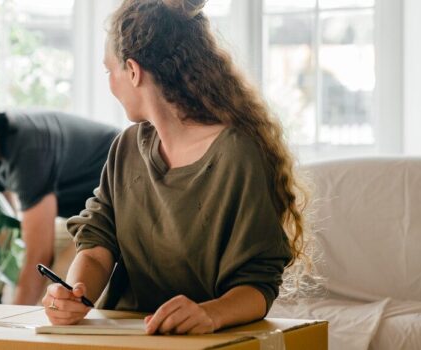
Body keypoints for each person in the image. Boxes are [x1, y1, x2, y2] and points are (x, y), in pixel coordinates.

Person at [42, 0, 310, 335]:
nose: (110, 84)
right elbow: (97, 246)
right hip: (123, 339)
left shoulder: (237, 154)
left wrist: (209, 314)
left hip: (200, 341)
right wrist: (75, 293)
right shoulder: (126, 147)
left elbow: (258, 285)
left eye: (109, 71)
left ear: (133, 70)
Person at [0, 75, 121, 305]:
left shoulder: (28, 150)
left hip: (120, 200)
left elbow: (39, 255)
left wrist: (9, 323)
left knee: (62, 293)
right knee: (44, 290)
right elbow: (9, 224)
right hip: (81, 211)